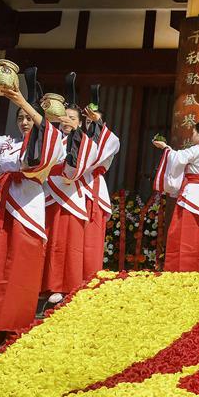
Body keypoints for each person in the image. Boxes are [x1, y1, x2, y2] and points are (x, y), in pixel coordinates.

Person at [0, 83, 65, 347]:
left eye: (29, 117)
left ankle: (9, 327)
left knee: (18, 268)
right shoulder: (7, 144)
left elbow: (48, 142)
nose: (25, 121)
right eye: (21, 118)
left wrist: (21, 100)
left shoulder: (53, 141)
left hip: (26, 209)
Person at [152, 98, 199, 272]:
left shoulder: (198, 149)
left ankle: (183, 270)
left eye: (193, 133)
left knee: (184, 234)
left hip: (191, 193)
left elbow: (177, 158)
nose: (191, 136)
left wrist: (165, 147)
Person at [41, 103, 96, 303]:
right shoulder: (52, 139)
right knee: (48, 238)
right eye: (64, 117)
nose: (66, 121)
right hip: (48, 192)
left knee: (66, 241)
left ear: (80, 123)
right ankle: (42, 283)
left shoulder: (86, 142)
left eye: (72, 118)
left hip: (70, 193)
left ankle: (64, 286)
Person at [81, 98, 120, 281]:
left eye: (94, 121)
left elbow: (95, 156)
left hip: (93, 187)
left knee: (90, 235)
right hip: (72, 187)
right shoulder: (76, 139)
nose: (90, 124)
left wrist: (96, 123)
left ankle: (88, 276)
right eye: (87, 121)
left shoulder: (109, 140)